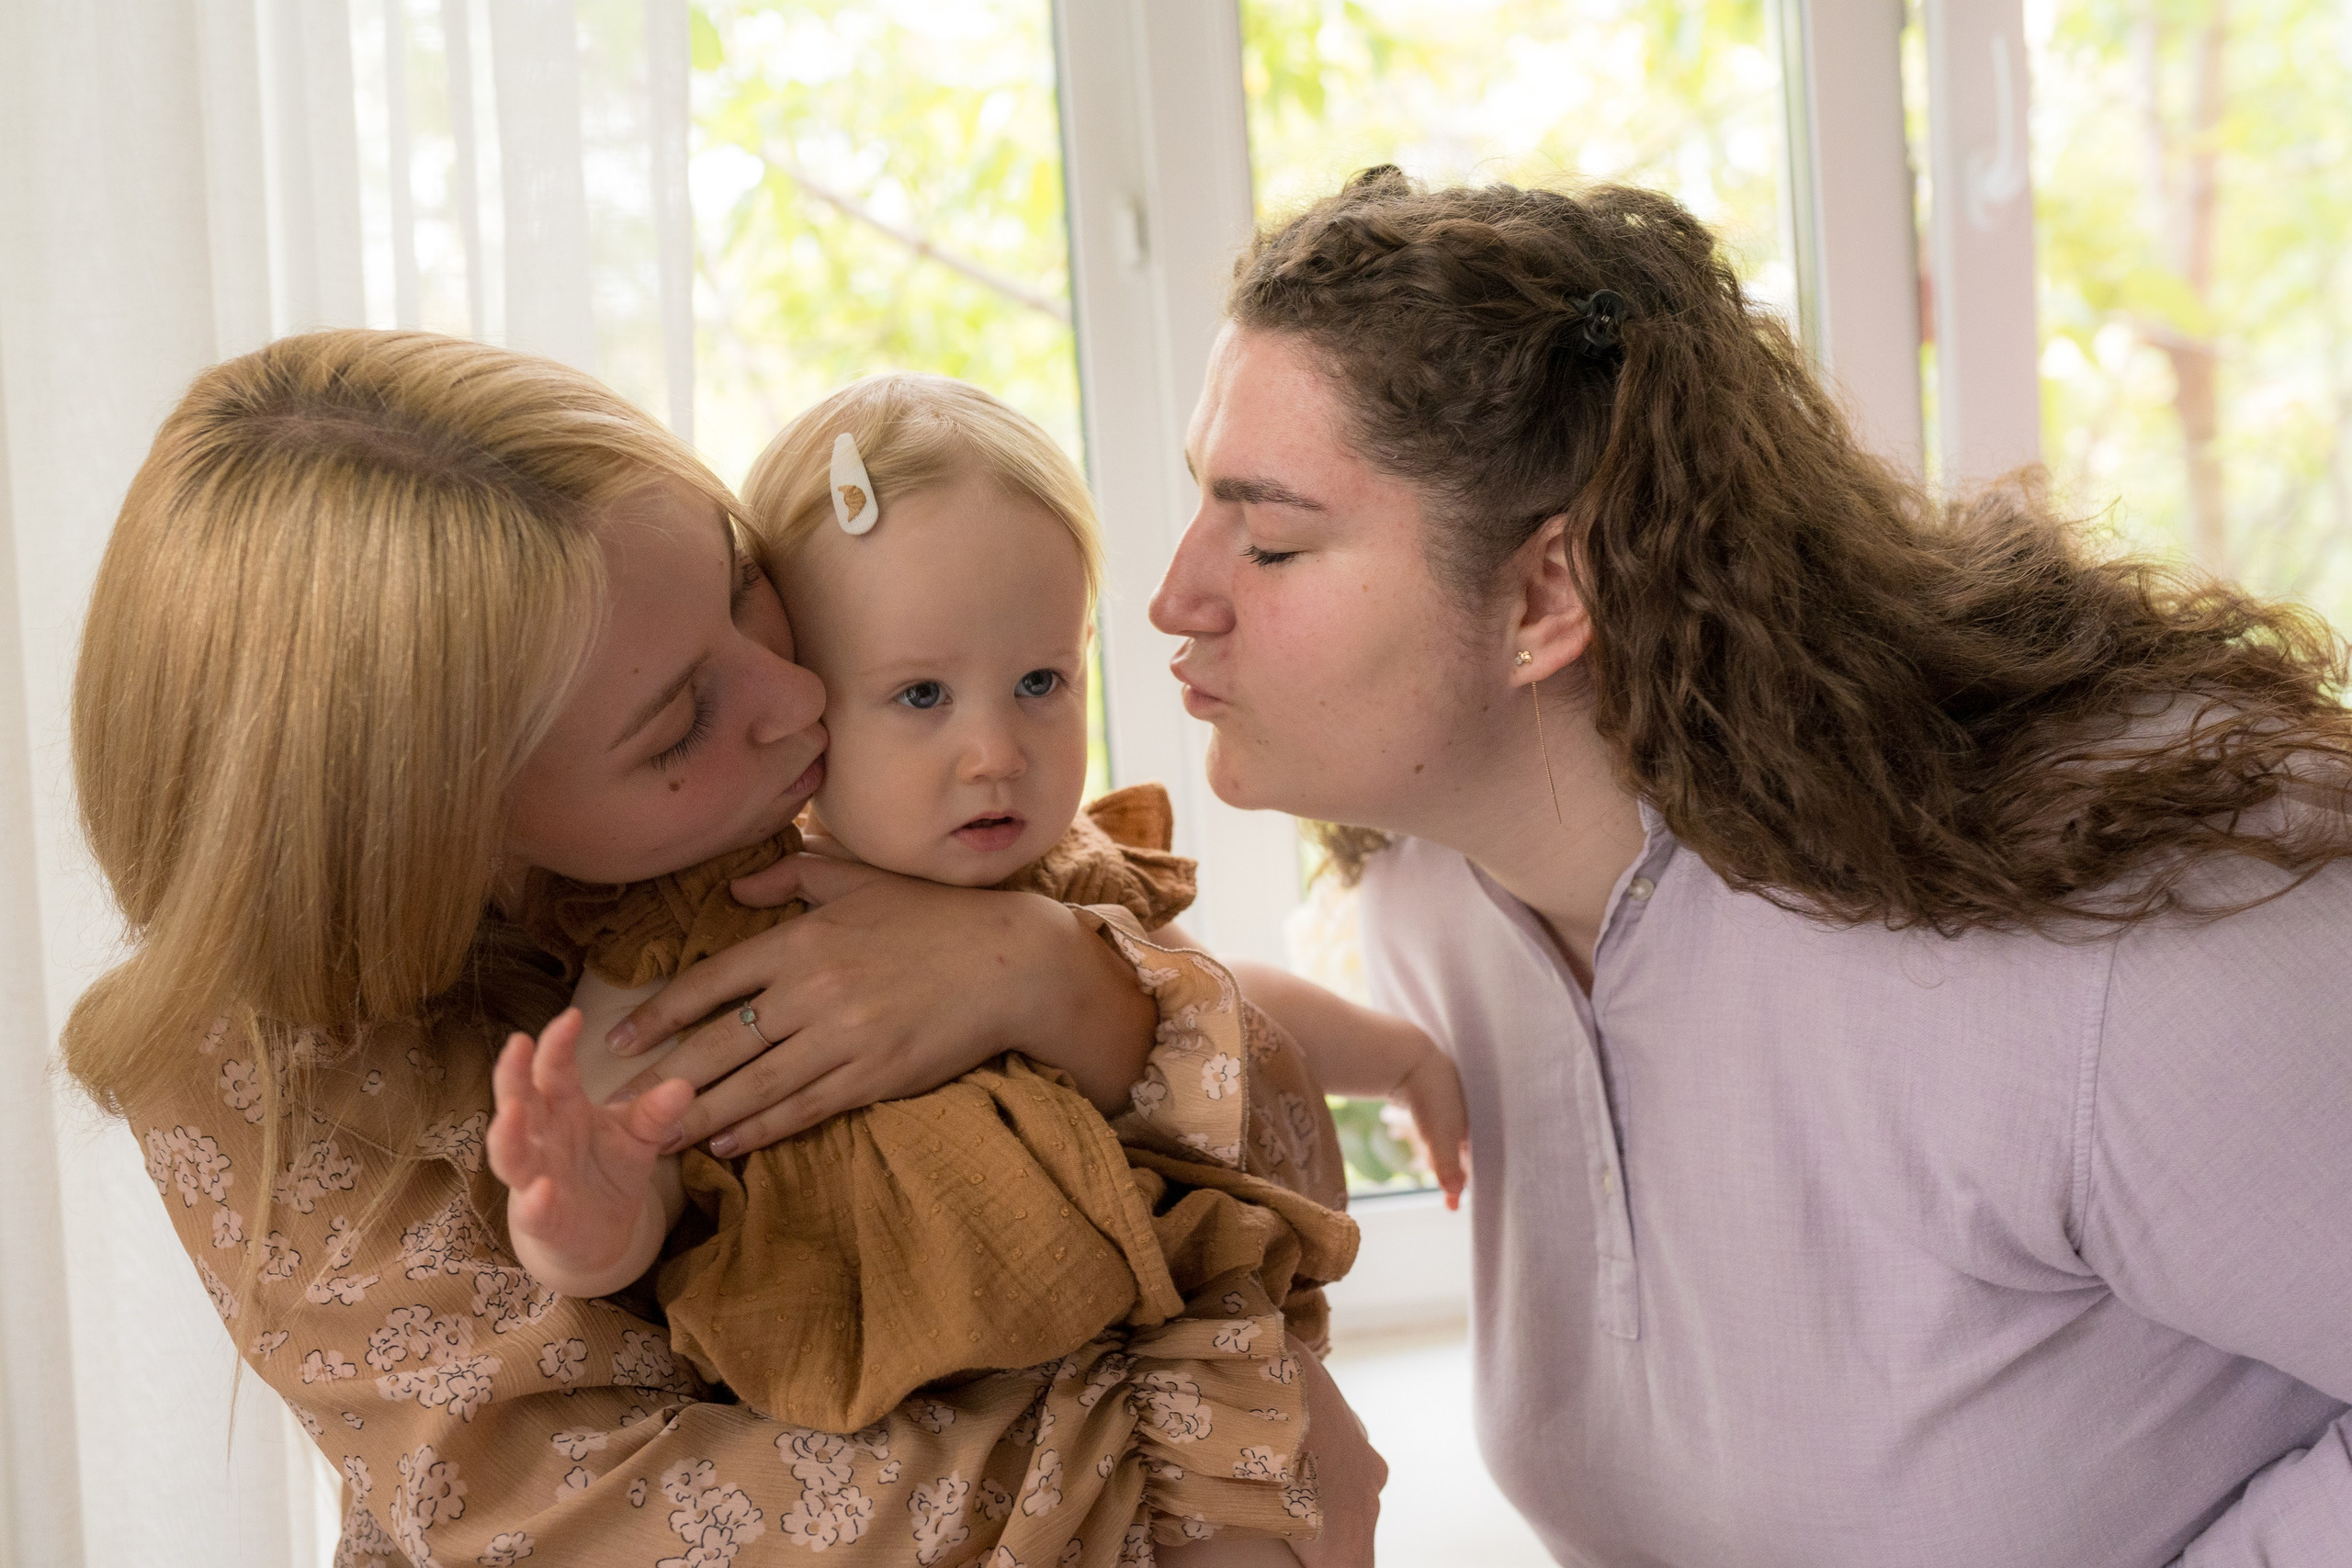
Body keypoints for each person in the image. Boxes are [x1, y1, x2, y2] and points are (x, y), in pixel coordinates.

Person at [1148, 167, 2352, 1568]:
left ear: (1547, 594)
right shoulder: (1438, 907)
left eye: (1273, 538)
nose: (1177, 594)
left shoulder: (2124, 936)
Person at [64, 328, 1383, 1566]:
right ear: (448, 830)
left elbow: (1275, 1145)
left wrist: (1043, 972)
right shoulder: (267, 1076)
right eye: (680, 716)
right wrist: (1209, 1450)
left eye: (745, 589)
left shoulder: (835, 829)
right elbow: (608, 1519)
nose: (799, 694)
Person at [487, 372, 1464, 1562]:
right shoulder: (711, 925)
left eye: (1041, 683)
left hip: (1132, 1402)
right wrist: (582, 1223)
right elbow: (623, 1142)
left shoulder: (1075, 878)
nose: (994, 753)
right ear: (803, 698)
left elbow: (1220, 1007)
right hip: (896, 1454)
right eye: (919, 696)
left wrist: (1401, 1055)